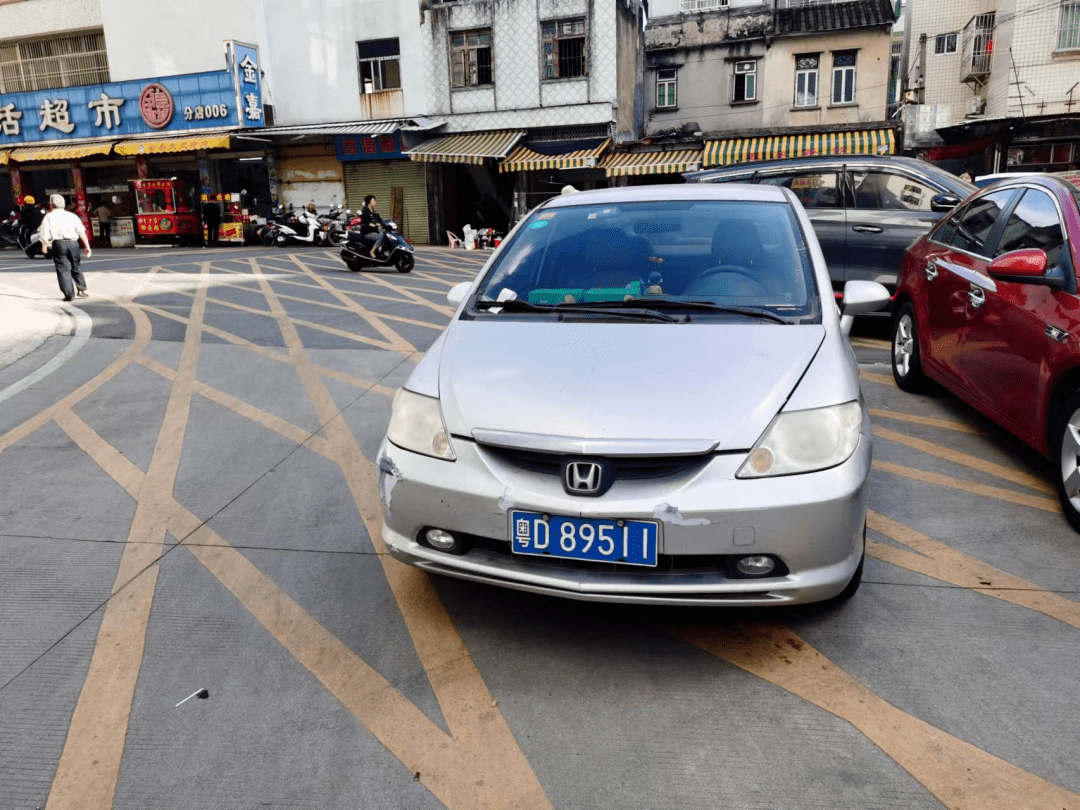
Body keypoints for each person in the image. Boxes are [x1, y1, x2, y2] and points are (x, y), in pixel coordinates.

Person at [39, 194, 91, 302]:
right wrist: (87, 246)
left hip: (59, 244)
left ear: (51, 205)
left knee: (63, 269)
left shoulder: (48, 217)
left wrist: (44, 246)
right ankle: (81, 290)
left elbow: (44, 235)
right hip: (73, 243)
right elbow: (81, 231)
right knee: (76, 266)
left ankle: (69, 295)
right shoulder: (72, 216)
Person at [359, 194, 387, 259]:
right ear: (369, 202)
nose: (375, 203)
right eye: (373, 201)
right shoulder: (366, 212)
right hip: (367, 232)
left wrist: (385, 224)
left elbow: (380, 221)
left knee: (386, 236)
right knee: (381, 236)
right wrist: (376, 225)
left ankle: (381, 252)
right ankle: (372, 251)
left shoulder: (374, 213)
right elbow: (368, 223)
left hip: (374, 231)